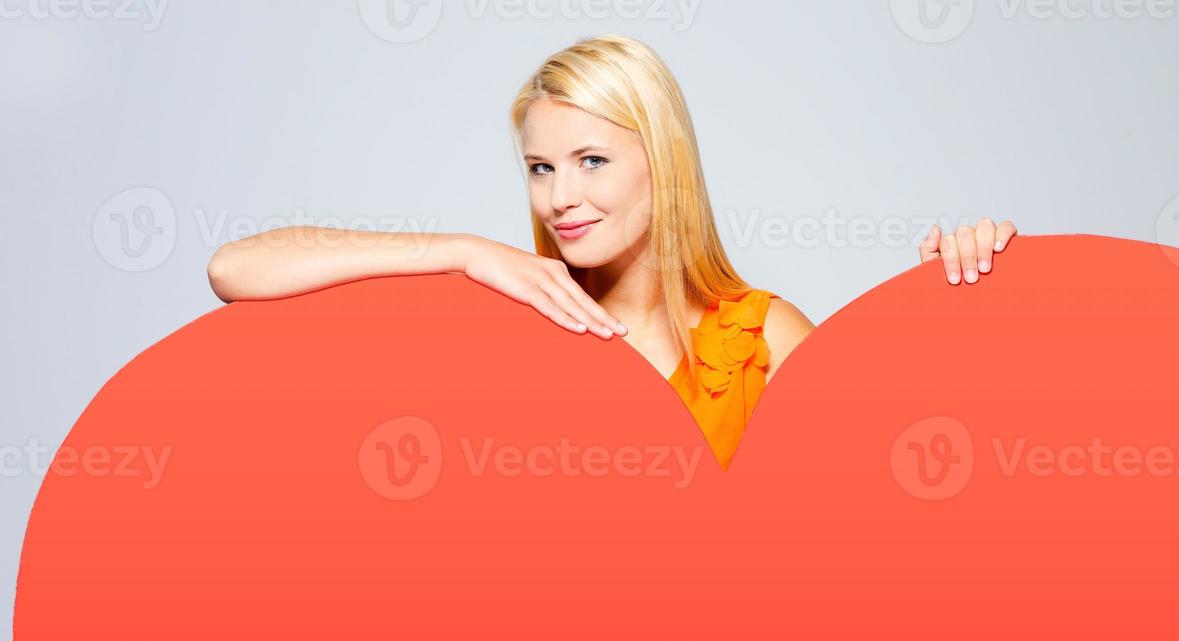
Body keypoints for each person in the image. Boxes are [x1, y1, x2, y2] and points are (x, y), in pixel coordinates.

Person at [207, 35, 1018, 468]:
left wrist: (954, 308)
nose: (560, 197)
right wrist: (458, 252)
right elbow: (236, 270)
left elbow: (895, 500)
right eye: (539, 169)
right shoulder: (513, 320)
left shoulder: (759, 342)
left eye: (591, 160)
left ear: (662, 163)